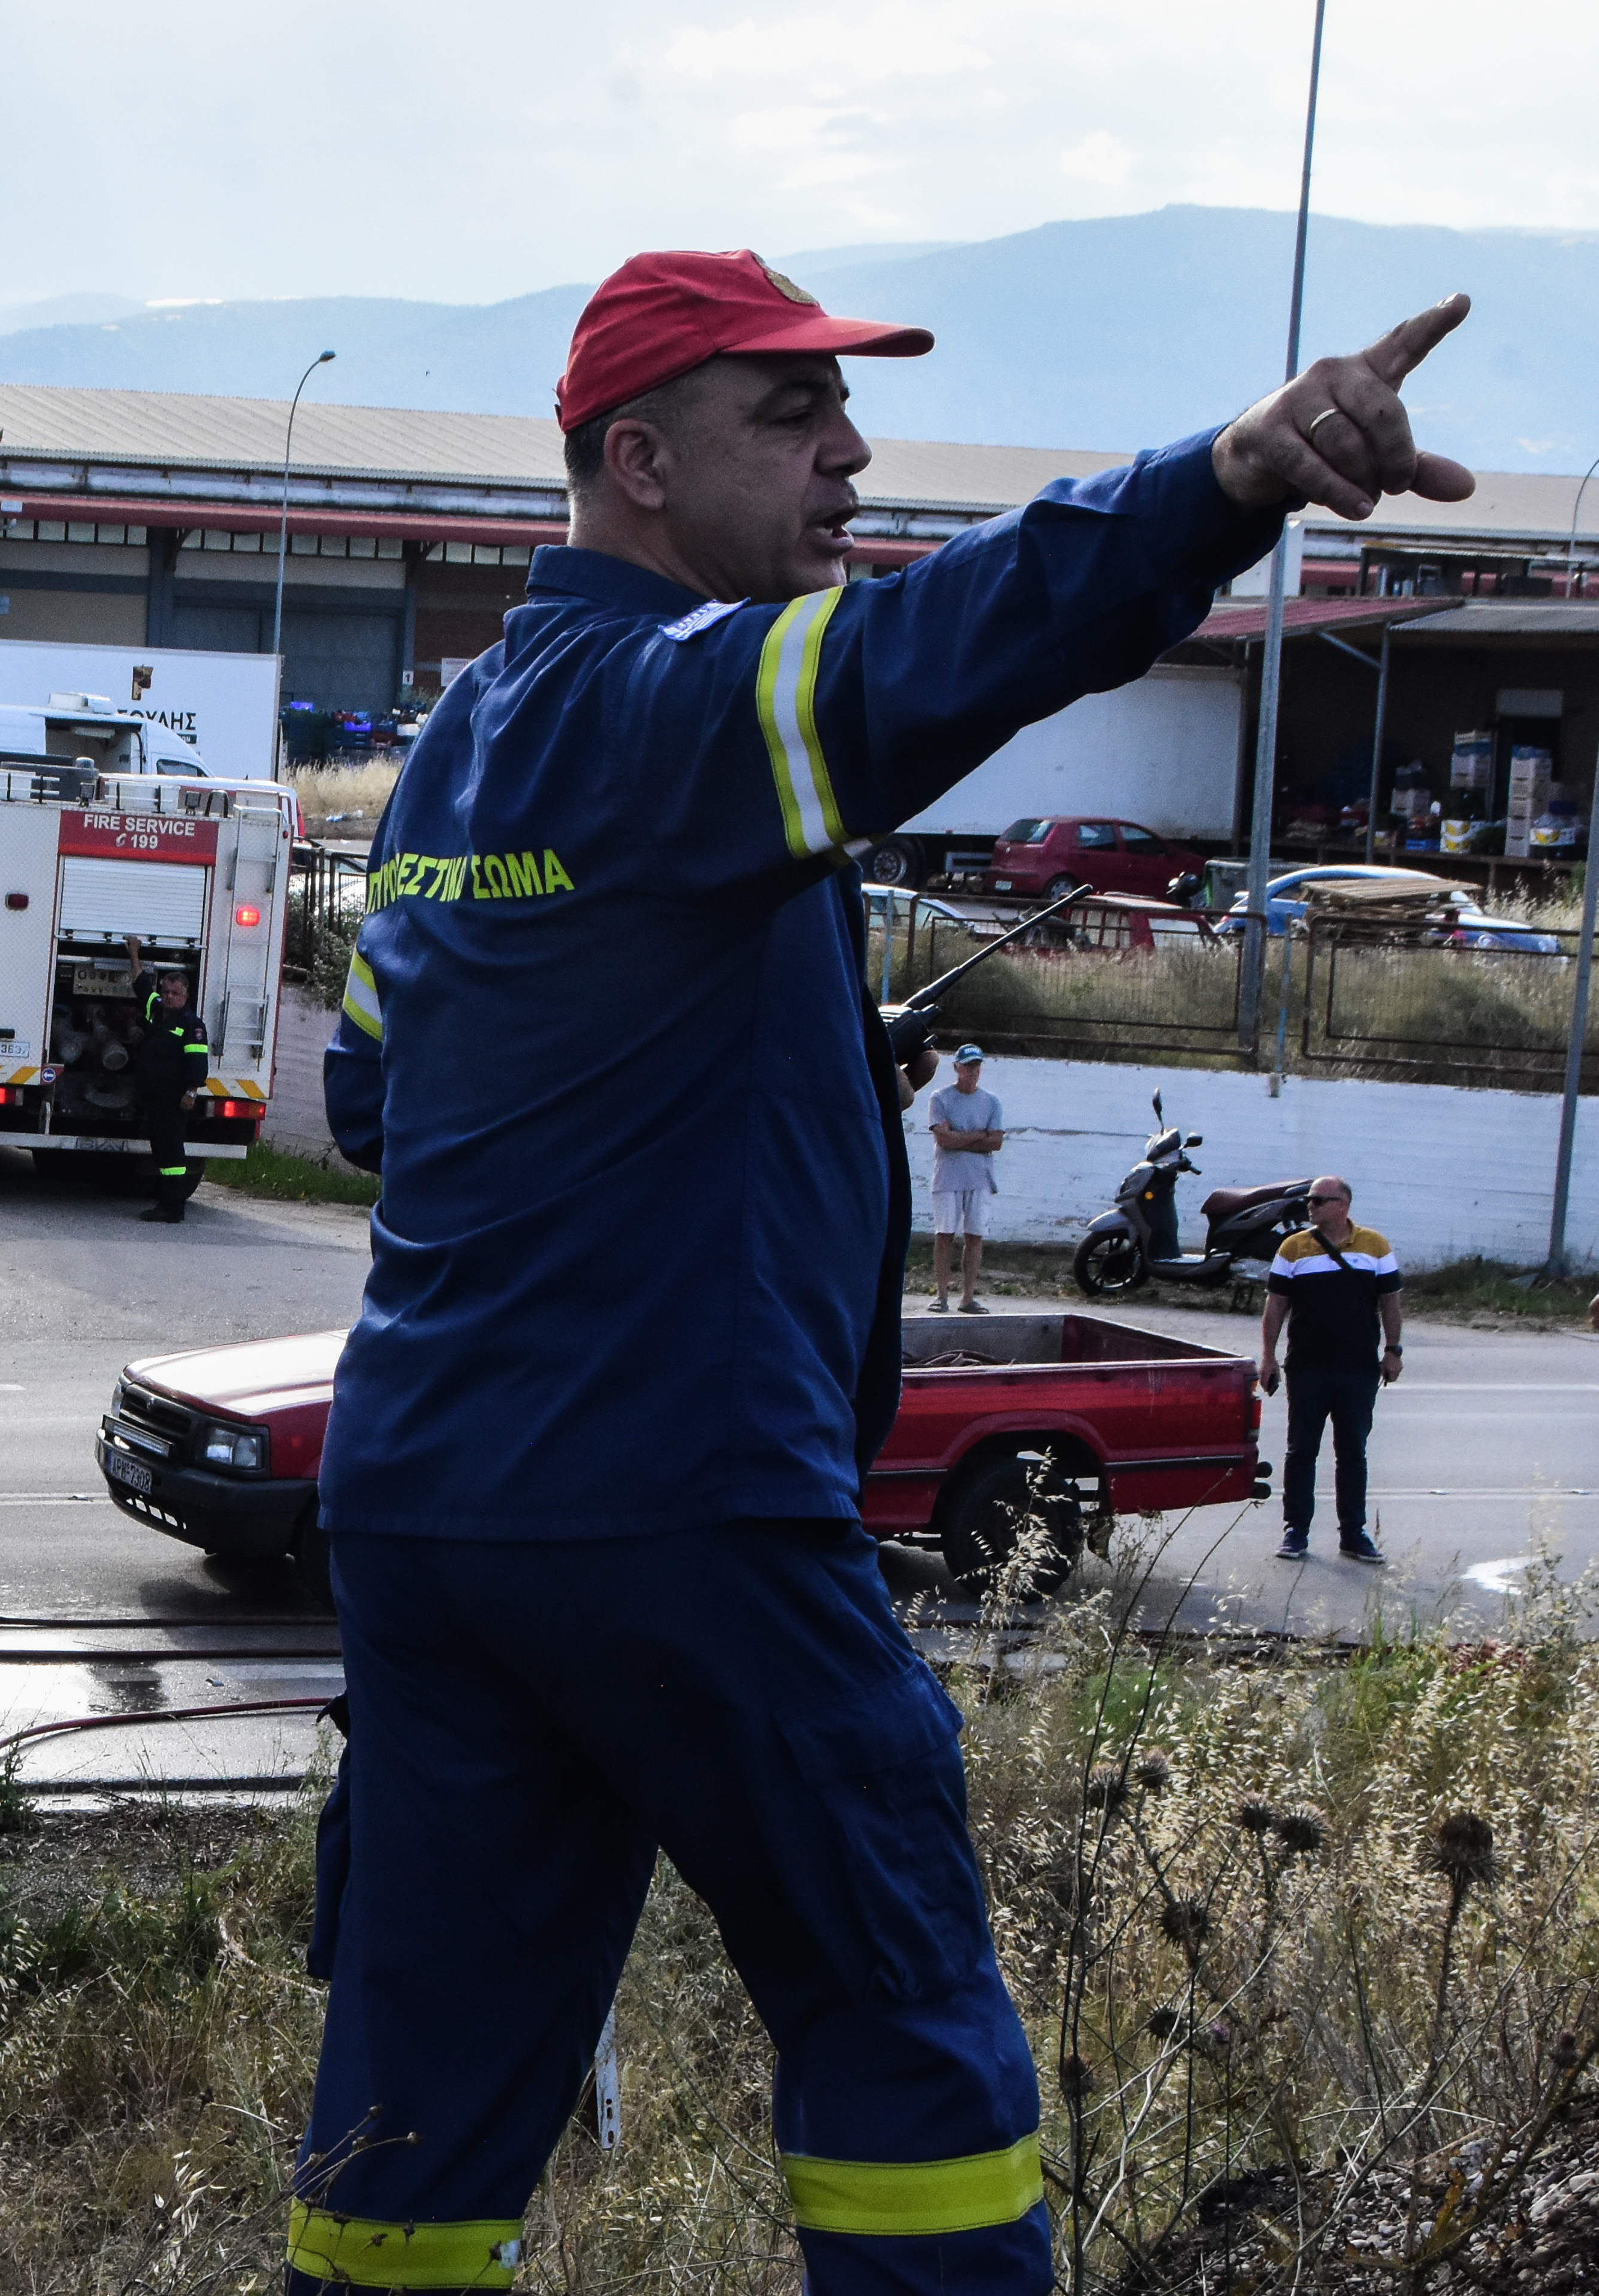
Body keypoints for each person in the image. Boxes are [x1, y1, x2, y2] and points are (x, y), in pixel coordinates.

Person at [305, 244, 1474, 2296]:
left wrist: (701, 1082)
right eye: (794, 416)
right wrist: (1229, 475)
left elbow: (374, 1094)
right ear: (639, 462)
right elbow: (937, 651)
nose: (850, 455)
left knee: (422, 2079)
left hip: (422, 1507)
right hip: (679, 1496)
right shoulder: (666, 699)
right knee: (894, 2001)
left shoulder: (450, 758)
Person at [1257, 1174, 1402, 1566]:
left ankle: (1353, 1534)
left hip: (1357, 1369)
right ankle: (1295, 1531)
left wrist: (1392, 1350)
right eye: (1309, 1200)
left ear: (1342, 1204)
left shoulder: (1375, 1246)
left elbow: (1390, 1302)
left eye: (1319, 1200)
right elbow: (1275, 1306)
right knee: (1300, 1451)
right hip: (1307, 1367)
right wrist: (1268, 1357)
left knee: (1352, 1452)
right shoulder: (1293, 1248)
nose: (1311, 1205)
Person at [124, 934, 213, 1223]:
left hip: (174, 1101)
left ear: (186, 996)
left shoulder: (192, 1026)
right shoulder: (156, 1012)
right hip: (156, 1099)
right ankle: (167, 1203)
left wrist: (191, 1094)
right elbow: (141, 984)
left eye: (176, 993)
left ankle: (173, 1208)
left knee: (172, 1152)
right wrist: (134, 954)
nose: (170, 997)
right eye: (167, 992)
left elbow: (199, 1067)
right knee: (162, 1150)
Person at [924, 1044, 1007, 1313]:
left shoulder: (992, 1102)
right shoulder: (941, 1098)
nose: (973, 1071)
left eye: (976, 1066)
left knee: (974, 1236)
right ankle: (942, 1295)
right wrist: (978, 1135)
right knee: (944, 1235)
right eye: (968, 1066)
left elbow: (995, 1142)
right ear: (957, 1067)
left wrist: (960, 1137)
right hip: (948, 1177)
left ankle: (968, 1297)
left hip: (979, 1178)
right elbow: (944, 1139)